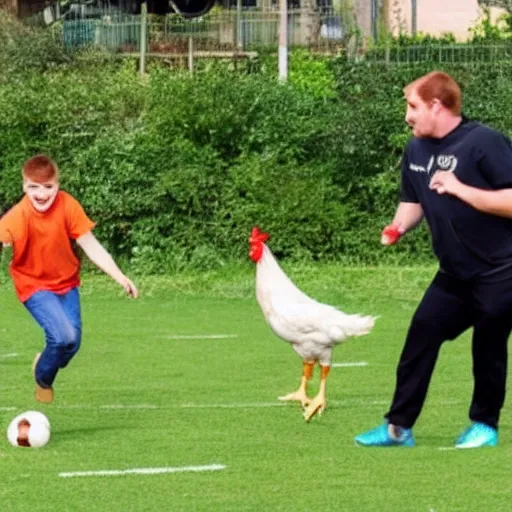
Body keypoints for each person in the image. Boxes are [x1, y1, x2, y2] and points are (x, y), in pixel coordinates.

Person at [355, 71, 512, 449]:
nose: (407, 115)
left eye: (413, 106)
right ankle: (397, 428)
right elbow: (413, 202)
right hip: (455, 273)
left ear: (436, 105)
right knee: (421, 334)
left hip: (502, 269)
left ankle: (484, 426)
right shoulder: (416, 148)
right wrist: (397, 227)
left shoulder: (484, 143)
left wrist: (460, 189)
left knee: (488, 346)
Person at [0, 155, 139, 404]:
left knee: (72, 344)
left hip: (67, 284)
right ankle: (43, 379)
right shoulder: (16, 218)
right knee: (63, 338)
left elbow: (91, 246)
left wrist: (120, 277)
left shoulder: (68, 206)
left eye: (48, 187)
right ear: (24, 186)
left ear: (58, 184)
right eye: (33, 187)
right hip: (34, 286)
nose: (41, 194)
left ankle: (44, 363)